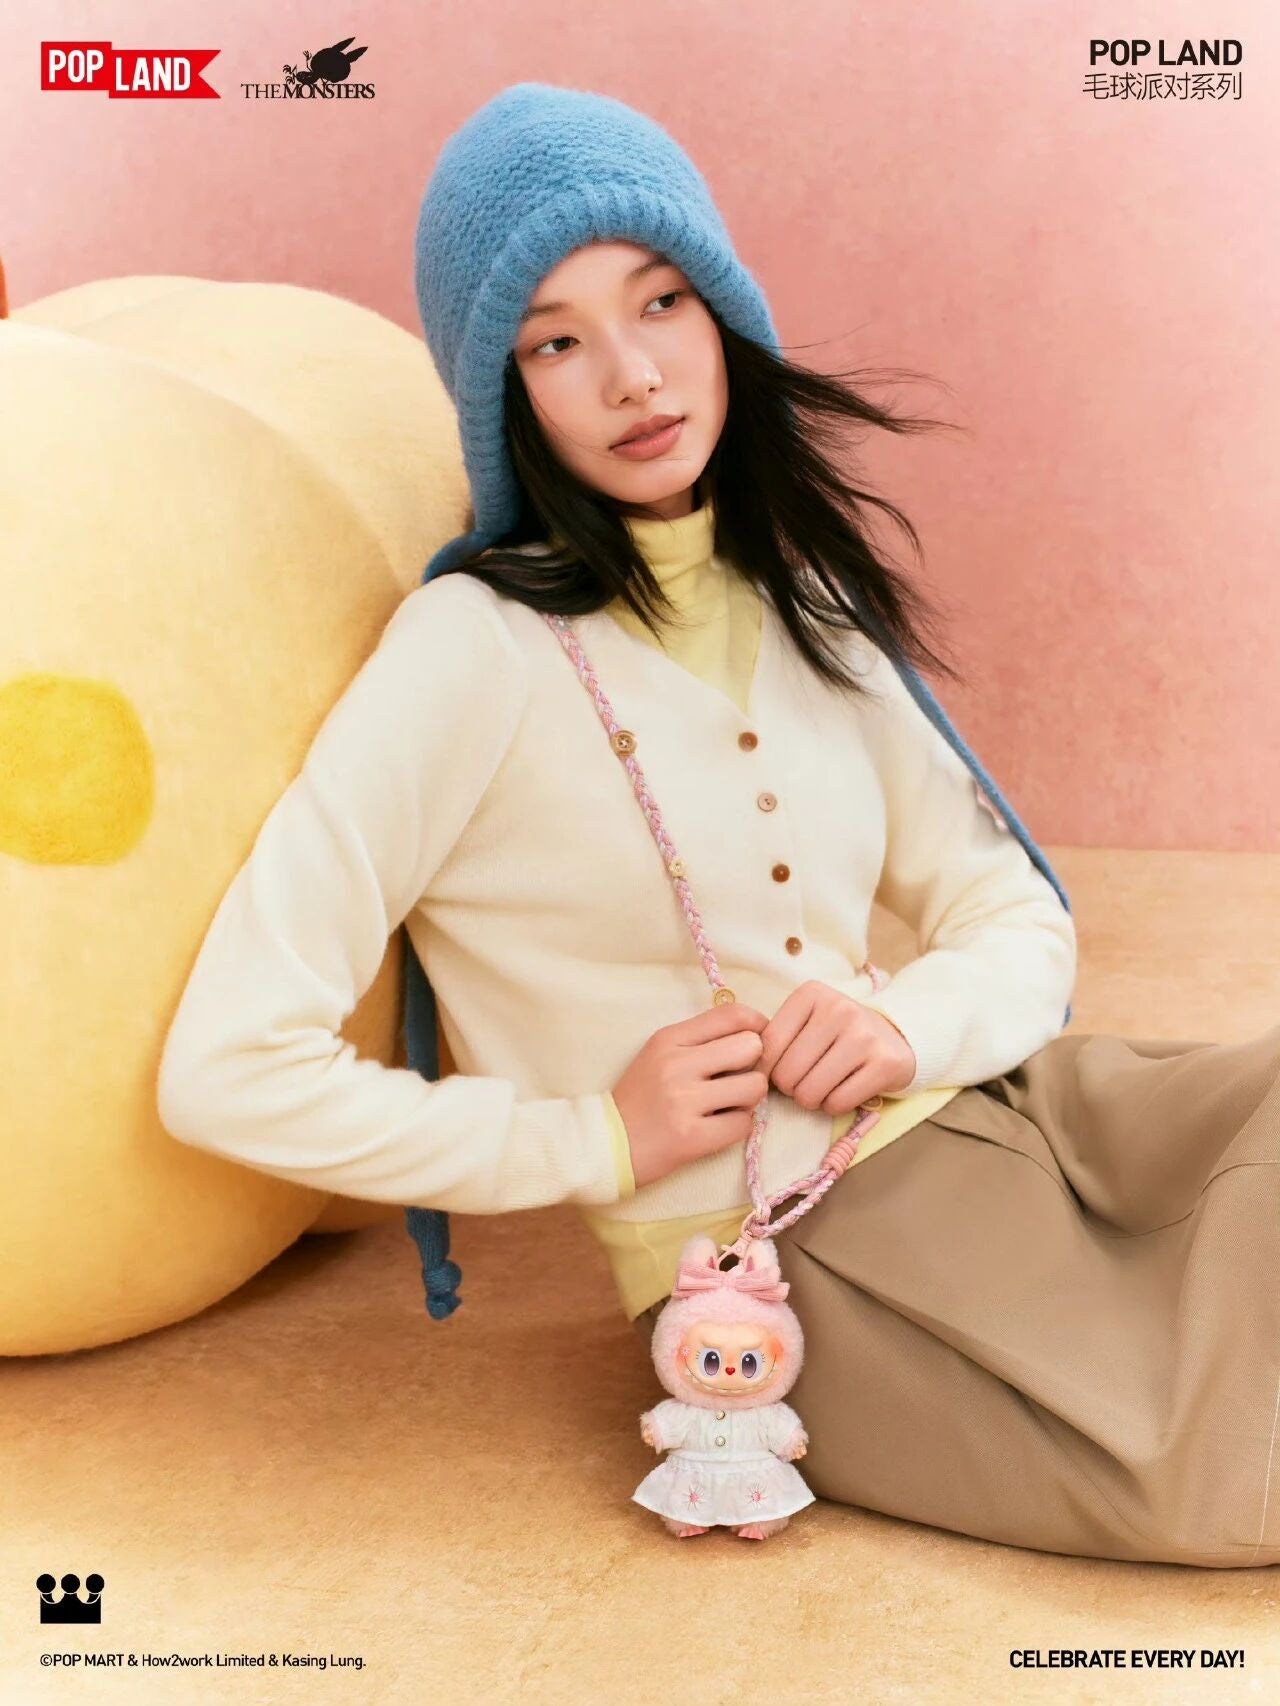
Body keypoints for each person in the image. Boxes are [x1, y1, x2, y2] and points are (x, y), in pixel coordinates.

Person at [157, 83, 1280, 1570]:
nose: (633, 376)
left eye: (661, 302)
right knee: (1230, 1473)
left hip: (1011, 1108)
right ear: (504, 390)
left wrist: (906, 1024)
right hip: (787, 1258)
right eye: (555, 340)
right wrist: (588, 1137)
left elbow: (1012, 910)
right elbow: (225, 1070)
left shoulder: (806, 597)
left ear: (723, 311)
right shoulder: (467, 652)